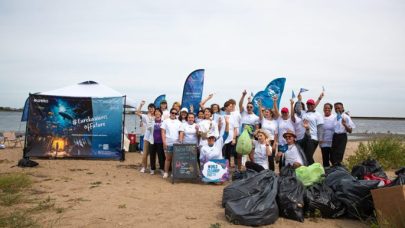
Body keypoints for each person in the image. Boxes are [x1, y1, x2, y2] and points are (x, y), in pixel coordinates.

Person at [300, 98, 324, 165]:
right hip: (304, 137)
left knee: (308, 156)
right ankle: (308, 170)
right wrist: (299, 99)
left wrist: (320, 139)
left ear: (314, 105)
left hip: (313, 138)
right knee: (303, 156)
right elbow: (296, 110)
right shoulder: (304, 113)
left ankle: (315, 169)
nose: (309, 106)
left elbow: (320, 127)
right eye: (308, 104)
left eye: (311, 104)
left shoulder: (318, 114)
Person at [161, 108, 182, 178]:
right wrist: (164, 142)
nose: (174, 114)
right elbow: (163, 132)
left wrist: (180, 140)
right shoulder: (165, 121)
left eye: (175, 113)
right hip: (168, 143)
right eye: (172, 113)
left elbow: (181, 132)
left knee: (175, 159)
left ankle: (174, 173)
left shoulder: (179, 122)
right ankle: (166, 172)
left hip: (176, 144)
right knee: (168, 159)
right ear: (170, 113)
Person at [258, 100, 278, 171]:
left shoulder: (275, 122)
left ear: (271, 114)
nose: (265, 113)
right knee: (262, 157)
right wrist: (260, 106)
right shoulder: (263, 120)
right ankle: (263, 171)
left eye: (267, 112)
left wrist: (274, 144)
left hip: (271, 140)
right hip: (263, 140)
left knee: (270, 158)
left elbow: (276, 134)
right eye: (265, 112)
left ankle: (272, 172)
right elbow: (260, 114)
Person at [136, 101, 155, 173]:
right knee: (145, 153)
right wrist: (141, 105)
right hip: (147, 137)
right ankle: (144, 167)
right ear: (148, 109)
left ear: (154, 109)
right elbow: (137, 113)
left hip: (154, 138)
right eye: (150, 108)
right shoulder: (145, 116)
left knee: (153, 154)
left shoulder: (156, 116)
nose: (151, 110)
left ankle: (152, 168)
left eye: (152, 108)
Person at [149, 109, 165, 175]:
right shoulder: (152, 121)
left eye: (159, 112)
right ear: (154, 113)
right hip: (153, 141)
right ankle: (152, 169)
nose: (157, 113)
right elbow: (148, 128)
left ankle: (161, 168)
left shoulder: (163, 122)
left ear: (161, 113)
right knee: (152, 155)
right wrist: (150, 120)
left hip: (161, 141)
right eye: (156, 112)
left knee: (161, 156)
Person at [320, 103, 335, 167]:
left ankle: (336, 172)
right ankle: (327, 173)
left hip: (333, 142)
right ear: (323, 109)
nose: (327, 109)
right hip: (324, 143)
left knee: (333, 159)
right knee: (325, 160)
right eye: (325, 108)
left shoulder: (334, 117)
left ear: (331, 109)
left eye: (328, 108)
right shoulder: (321, 118)